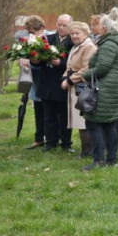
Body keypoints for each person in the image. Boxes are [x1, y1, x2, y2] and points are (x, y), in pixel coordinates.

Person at [80, 11, 118, 170]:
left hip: (104, 90)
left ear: (104, 29)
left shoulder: (108, 44)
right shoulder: (115, 42)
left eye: (99, 26)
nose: (97, 28)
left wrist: (85, 74)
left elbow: (102, 68)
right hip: (112, 90)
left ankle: (99, 161)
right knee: (109, 125)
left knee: (93, 124)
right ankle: (112, 160)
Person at [33, 14, 73, 152]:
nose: (61, 28)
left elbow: (76, 62)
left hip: (63, 83)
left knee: (64, 116)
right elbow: (38, 63)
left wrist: (60, 63)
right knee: (48, 115)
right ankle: (50, 142)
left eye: (65, 25)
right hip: (47, 82)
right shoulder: (47, 40)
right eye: (59, 25)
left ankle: (66, 143)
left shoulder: (73, 42)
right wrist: (35, 60)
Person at [62, 21, 97, 157]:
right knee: (78, 120)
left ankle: (88, 150)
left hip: (83, 86)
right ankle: (85, 149)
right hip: (74, 87)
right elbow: (70, 66)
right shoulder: (76, 46)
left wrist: (69, 80)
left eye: (77, 33)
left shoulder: (88, 47)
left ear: (85, 33)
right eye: (72, 34)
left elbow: (86, 68)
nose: (74, 36)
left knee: (83, 120)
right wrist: (63, 78)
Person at [23, 15, 48, 149]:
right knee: (38, 110)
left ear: (41, 29)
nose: (30, 35)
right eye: (29, 32)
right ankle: (39, 138)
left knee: (50, 112)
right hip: (36, 81)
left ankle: (51, 138)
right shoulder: (29, 41)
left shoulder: (48, 39)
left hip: (48, 81)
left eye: (32, 32)